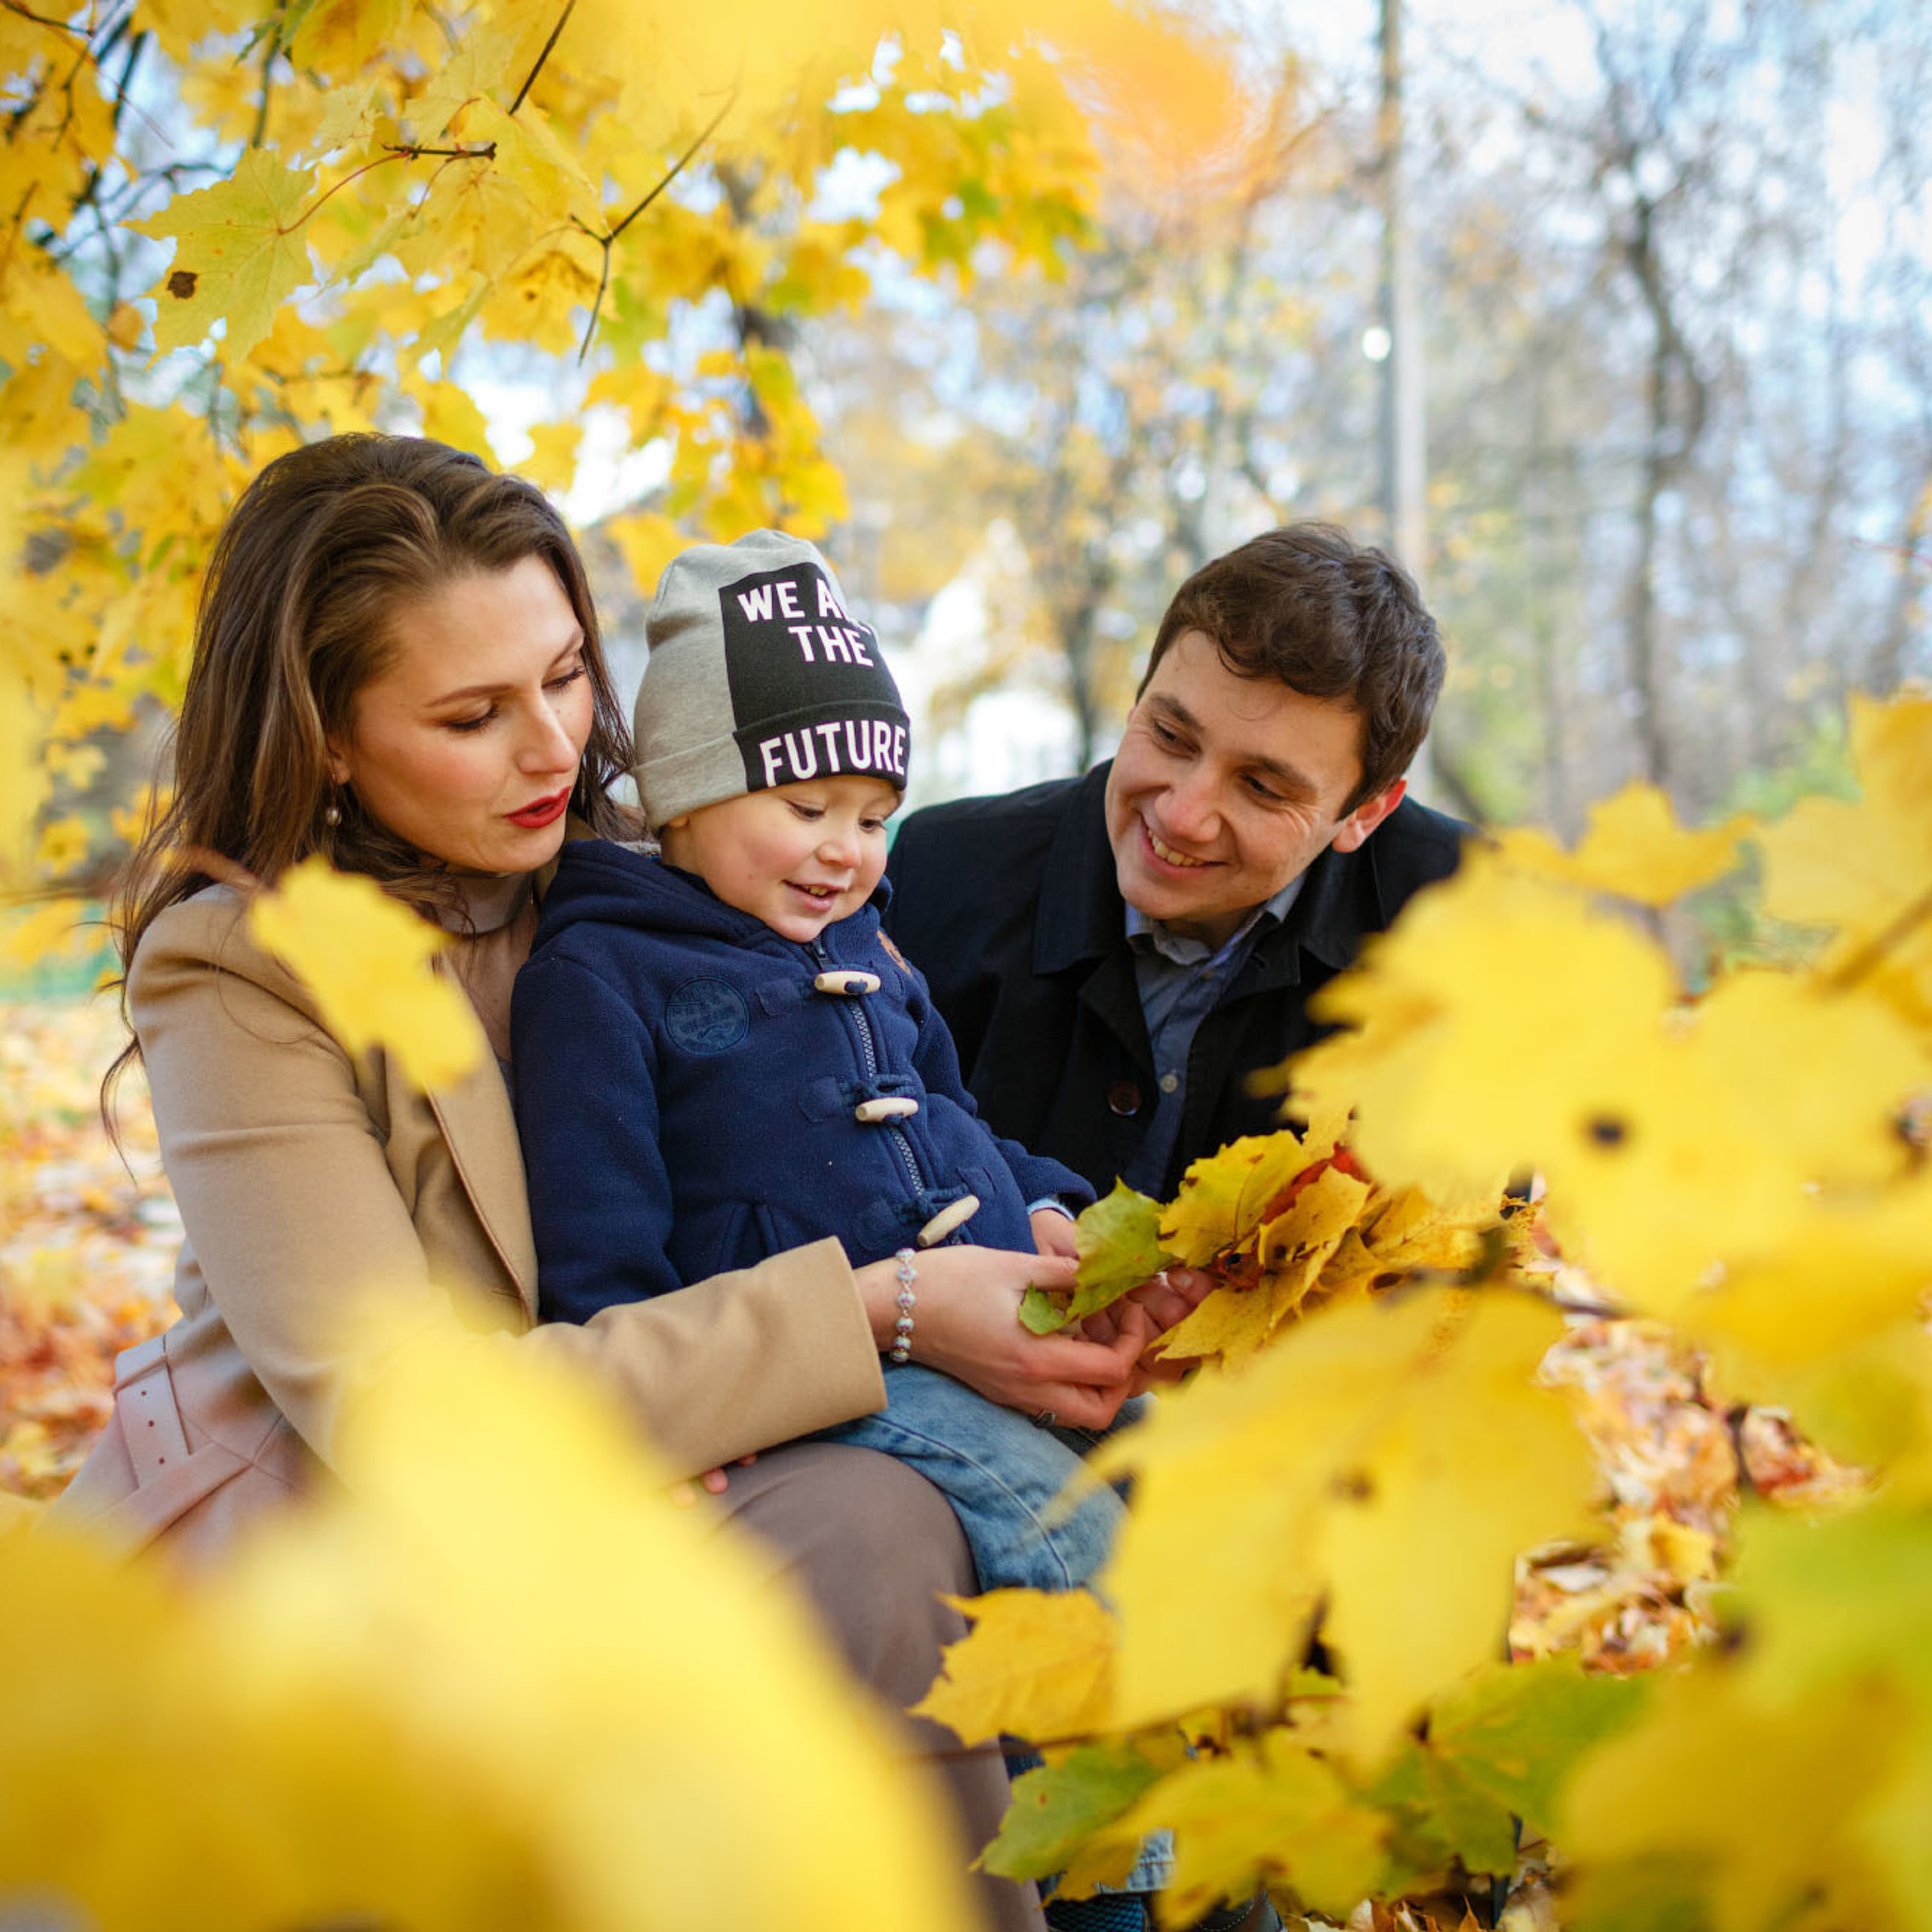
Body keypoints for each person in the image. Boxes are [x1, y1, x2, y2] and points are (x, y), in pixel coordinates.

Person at [45, 432, 1166, 1932]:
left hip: (684, 1457)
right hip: (364, 1534)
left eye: (569, 674)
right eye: (471, 712)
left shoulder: (686, 871)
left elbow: (885, 1103)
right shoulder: (247, 966)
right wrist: (889, 1308)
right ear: (325, 733)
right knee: (877, 1532)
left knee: (947, 1512)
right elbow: (403, 1413)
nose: (555, 749)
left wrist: (1036, 1229)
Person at [512, 530, 1132, 1617]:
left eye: (874, 817)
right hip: (833, 1365)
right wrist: (667, 1427)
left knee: (1163, 1454)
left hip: (984, 1301)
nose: (846, 849)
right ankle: (1102, 1770)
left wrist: (1038, 1200)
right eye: (806, 810)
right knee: (1061, 1530)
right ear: (684, 800)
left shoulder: (862, 941)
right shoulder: (601, 971)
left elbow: (946, 1107)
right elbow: (597, 1243)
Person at [884, 523, 1464, 1205]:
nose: (1183, 815)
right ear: (1138, 701)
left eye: (1262, 787)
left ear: (1365, 813)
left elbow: (1464, 1246)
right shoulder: (939, 877)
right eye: (1169, 735)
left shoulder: (1465, 922)